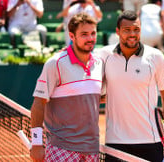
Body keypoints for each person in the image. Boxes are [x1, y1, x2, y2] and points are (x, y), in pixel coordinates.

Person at [97, 10, 164, 162]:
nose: (132, 34)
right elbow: (90, 89)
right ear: (117, 32)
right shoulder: (103, 55)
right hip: (115, 142)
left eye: (136, 30)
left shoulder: (155, 57)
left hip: (150, 141)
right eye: (127, 30)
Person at [30, 13, 103, 162]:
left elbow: (97, 99)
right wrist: (36, 143)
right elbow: (38, 104)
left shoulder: (100, 64)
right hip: (61, 148)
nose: (90, 38)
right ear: (71, 36)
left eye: (93, 33)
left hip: (92, 149)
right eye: (84, 34)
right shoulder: (55, 63)